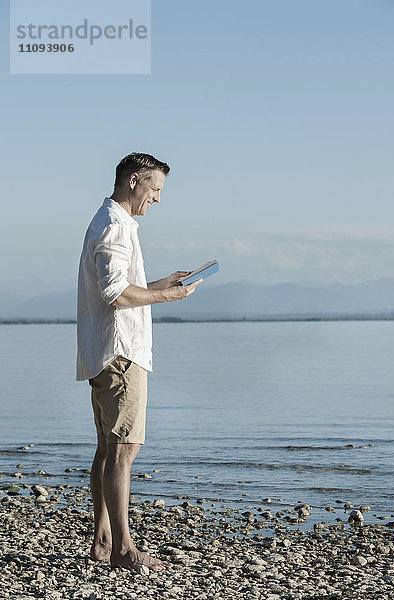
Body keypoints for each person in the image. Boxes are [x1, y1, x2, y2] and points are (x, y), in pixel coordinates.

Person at [76, 152, 201, 572]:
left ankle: (103, 540)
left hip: (106, 351)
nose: (159, 199)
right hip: (121, 353)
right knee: (124, 450)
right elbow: (114, 294)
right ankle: (123, 550)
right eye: (156, 189)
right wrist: (168, 297)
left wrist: (157, 284)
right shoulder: (114, 225)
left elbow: (119, 287)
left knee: (109, 448)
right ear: (134, 181)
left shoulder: (112, 222)